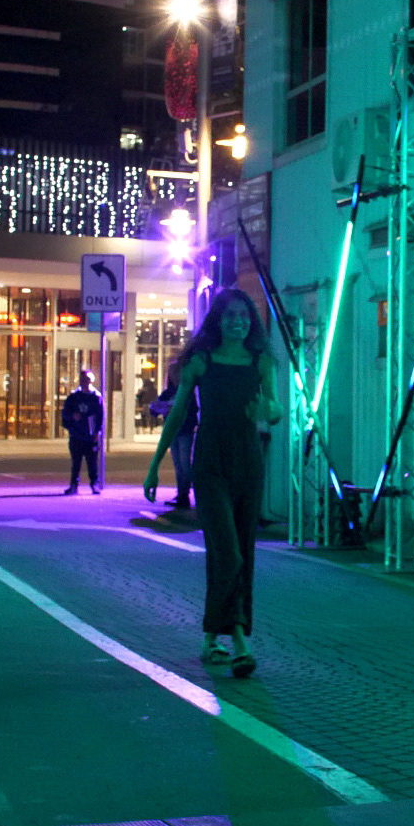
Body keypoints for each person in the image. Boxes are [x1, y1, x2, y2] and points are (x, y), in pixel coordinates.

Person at [145, 289, 280, 678]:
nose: (237, 321)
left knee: (238, 551)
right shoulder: (200, 362)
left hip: (247, 460)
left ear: (250, 320)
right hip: (210, 459)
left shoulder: (260, 361)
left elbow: (275, 409)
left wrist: (266, 410)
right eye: (229, 315)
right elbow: (177, 415)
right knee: (228, 550)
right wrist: (156, 465)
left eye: (243, 316)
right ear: (217, 320)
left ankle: (210, 636)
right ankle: (239, 641)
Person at [149, 369, 198, 511]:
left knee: (184, 463)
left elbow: (192, 411)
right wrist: (157, 408)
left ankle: (185, 493)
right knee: (179, 464)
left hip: (184, 431)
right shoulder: (169, 392)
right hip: (175, 432)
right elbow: (155, 408)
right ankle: (182, 493)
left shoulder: (187, 392)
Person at [61, 369, 104, 494]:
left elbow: (101, 416)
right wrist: (72, 417)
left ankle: (94, 484)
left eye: (87, 380)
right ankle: (74, 485)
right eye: (82, 380)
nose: (85, 383)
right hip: (76, 435)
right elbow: (65, 413)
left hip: (91, 436)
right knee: (76, 462)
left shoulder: (96, 397)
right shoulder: (74, 397)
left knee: (92, 463)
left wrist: (98, 432)